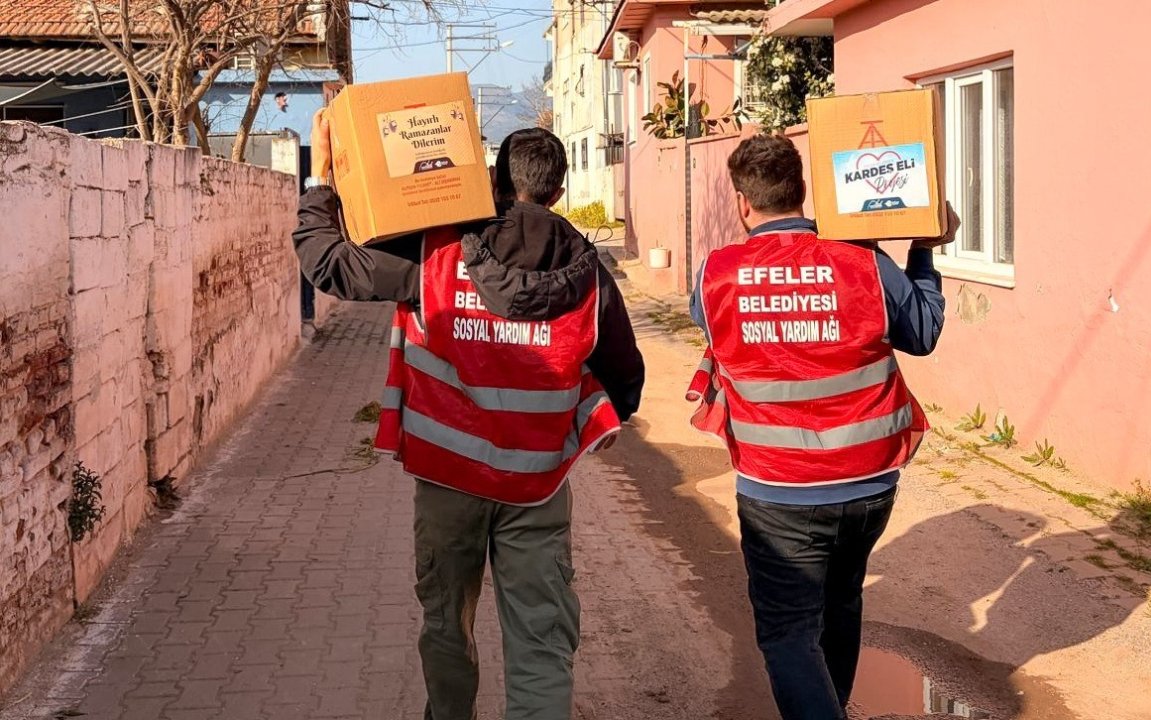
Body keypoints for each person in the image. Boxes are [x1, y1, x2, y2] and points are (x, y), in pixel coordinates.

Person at [294, 113, 645, 720]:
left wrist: (323, 181)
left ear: (494, 184)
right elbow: (624, 369)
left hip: (448, 479)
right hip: (538, 485)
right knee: (541, 637)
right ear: (559, 191)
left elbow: (331, 265)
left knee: (447, 621)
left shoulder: (435, 252)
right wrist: (614, 413)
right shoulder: (588, 272)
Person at [686, 134, 955, 720]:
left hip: (777, 490)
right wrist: (922, 251)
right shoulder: (862, 260)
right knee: (840, 603)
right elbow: (924, 331)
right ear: (802, 191)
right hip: (869, 483)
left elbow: (708, 323)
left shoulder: (715, 274)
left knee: (787, 632)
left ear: (741, 203)